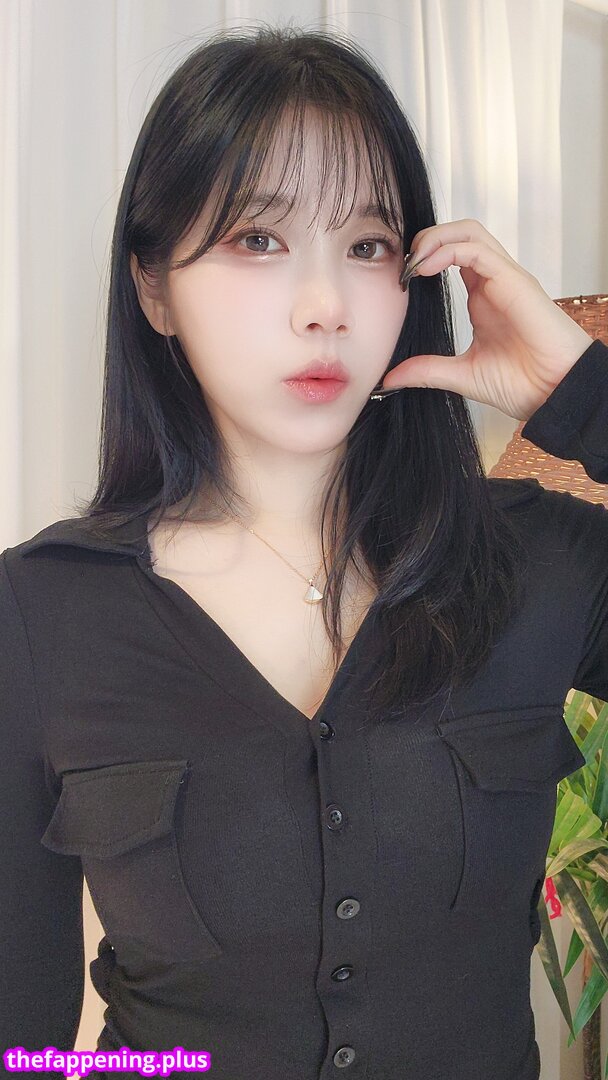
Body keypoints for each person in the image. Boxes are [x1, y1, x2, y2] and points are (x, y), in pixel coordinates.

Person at [1, 22, 607, 1080]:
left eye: (367, 246)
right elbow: (19, 1027)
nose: (325, 308)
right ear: (154, 287)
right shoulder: (40, 613)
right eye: (258, 239)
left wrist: (582, 393)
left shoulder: (536, 563)